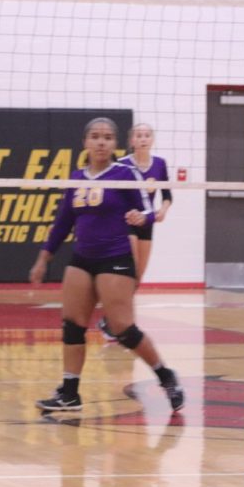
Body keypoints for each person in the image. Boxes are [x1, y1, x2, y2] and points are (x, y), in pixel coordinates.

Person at [29, 117, 184, 413]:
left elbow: (149, 209)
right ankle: (70, 392)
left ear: (115, 144)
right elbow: (63, 222)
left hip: (115, 258)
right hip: (82, 259)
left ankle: (166, 376)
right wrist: (43, 257)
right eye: (96, 137)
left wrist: (142, 218)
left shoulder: (124, 173)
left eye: (108, 137)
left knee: (122, 328)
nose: (102, 142)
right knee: (72, 326)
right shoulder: (77, 177)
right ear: (85, 142)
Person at [98, 123, 173, 340]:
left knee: (139, 277)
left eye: (147, 135)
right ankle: (117, 321)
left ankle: (111, 319)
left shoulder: (159, 165)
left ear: (152, 140)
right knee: (127, 274)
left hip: (147, 223)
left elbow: (167, 195)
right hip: (127, 222)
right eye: (138, 135)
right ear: (131, 141)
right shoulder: (122, 165)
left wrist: (163, 210)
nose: (143, 139)